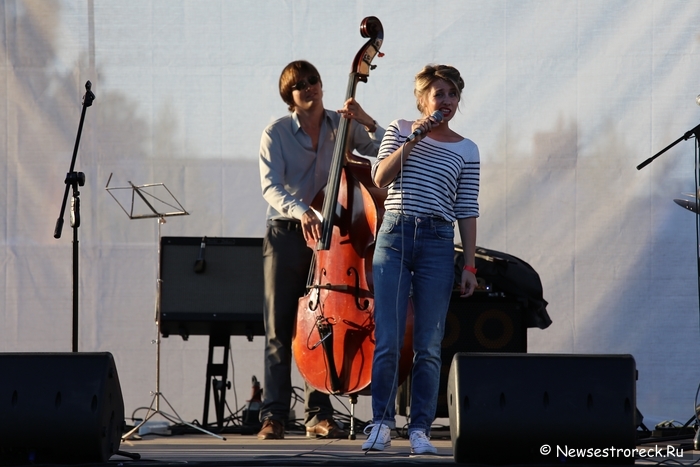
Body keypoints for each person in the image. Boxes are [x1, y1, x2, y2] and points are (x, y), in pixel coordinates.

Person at [257, 60, 384, 440]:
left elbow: (382, 150)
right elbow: (270, 187)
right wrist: (303, 211)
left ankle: (319, 414)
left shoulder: (341, 125)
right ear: (289, 97)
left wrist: (367, 120)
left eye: (313, 80)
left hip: (333, 242)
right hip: (288, 233)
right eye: (300, 86)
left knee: (324, 322)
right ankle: (274, 415)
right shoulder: (275, 133)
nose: (310, 88)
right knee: (280, 328)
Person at [361, 64, 480, 455]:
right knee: (390, 340)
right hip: (395, 235)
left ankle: (420, 430)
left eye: (451, 93)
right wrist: (416, 136)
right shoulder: (399, 128)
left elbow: (466, 207)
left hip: (437, 241)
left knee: (429, 343)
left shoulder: (467, 149)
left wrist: (470, 264)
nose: (445, 100)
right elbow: (380, 178)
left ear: (458, 100)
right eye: (437, 93)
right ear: (422, 99)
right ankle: (380, 423)